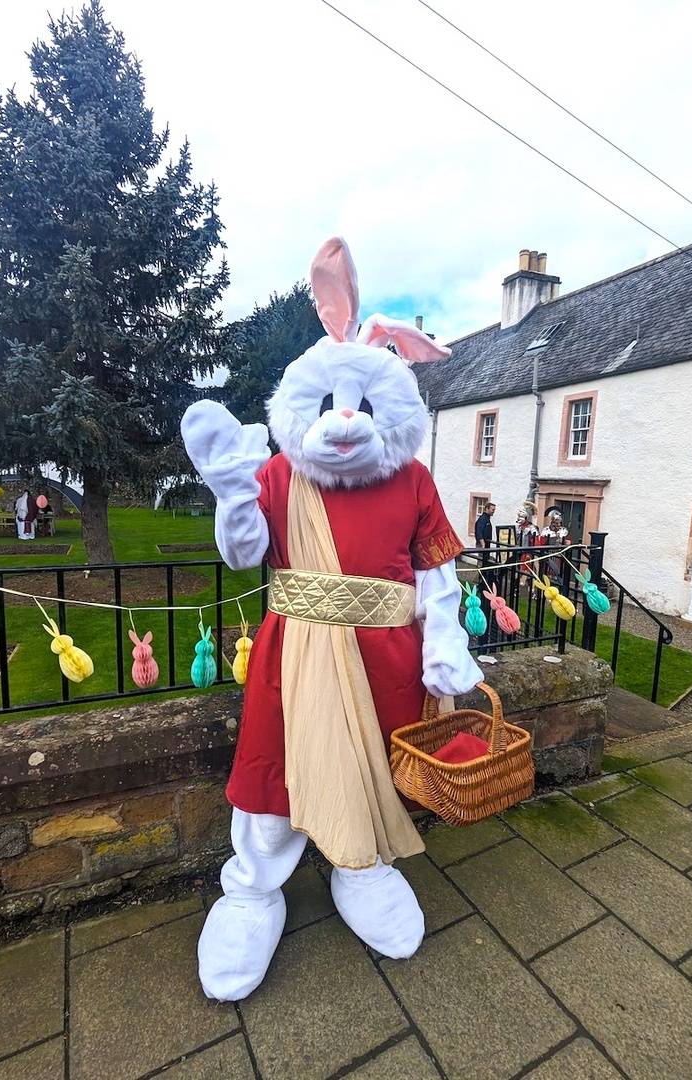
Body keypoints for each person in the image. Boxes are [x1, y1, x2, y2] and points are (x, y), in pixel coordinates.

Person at [181, 236, 482, 1002]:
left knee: (374, 766)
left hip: (388, 656)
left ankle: (361, 865)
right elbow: (246, 555)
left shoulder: (413, 479)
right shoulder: (279, 472)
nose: (344, 422)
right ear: (297, 406)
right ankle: (252, 888)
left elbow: (436, 574)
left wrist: (446, 644)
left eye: (364, 405)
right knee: (275, 772)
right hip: (294, 652)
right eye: (324, 406)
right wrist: (229, 493)